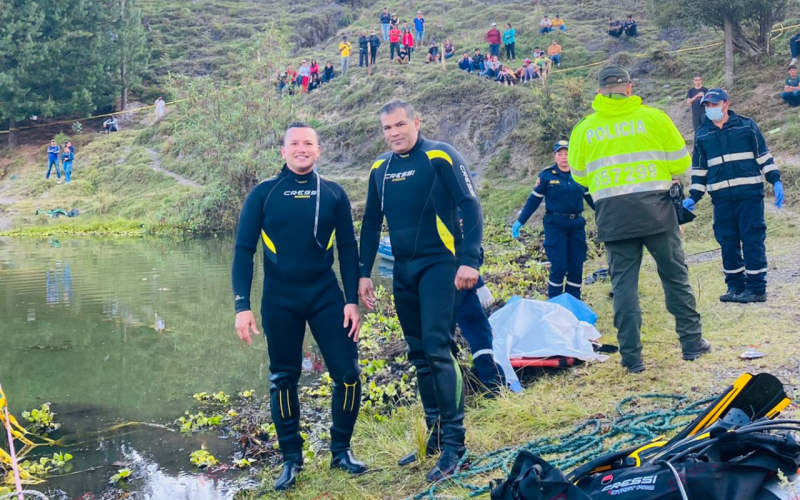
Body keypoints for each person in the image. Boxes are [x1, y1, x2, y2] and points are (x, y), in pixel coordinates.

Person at [232, 122, 367, 491]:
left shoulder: (335, 194)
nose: (302, 148)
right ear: (284, 150)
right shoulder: (263, 194)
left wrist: (352, 300)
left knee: (349, 374)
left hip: (326, 296)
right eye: (295, 143)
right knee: (283, 379)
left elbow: (348, 250)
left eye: (309, 143)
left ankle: (341, 451)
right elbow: (244, 250)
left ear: (319, 150)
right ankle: (292, 460)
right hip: (280, 299)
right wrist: (241, 306)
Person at [359, 99, 483, 481]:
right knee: (418, 352)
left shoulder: (440, 156)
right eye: (387, 128)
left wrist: (470, 260)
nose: (394, 133)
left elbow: (471, 205)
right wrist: (363, 273)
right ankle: (435, 434)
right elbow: (369, 222)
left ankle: (456, 447)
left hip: (441, 265)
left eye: (400, 125)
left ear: (416, 122)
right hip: (404, 269)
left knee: (437, 348)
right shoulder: (381, 167)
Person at [568, 65, 709, 374]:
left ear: (600, 91)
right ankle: (691, 344)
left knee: (624, 288)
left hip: (614, 219)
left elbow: (579, 176)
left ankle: (632, 359)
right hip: (658, 213)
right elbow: (681, 162)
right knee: (675, 278)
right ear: (629, 88)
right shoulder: (654, 118)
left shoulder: (584, 129)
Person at [685, 88, 784, 303]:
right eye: (707, 106)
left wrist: (775, 180)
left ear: (726, 103)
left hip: (749, 196)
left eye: (714, 104)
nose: (711, 109)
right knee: (727, 241)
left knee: (752, 239)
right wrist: (693, 196)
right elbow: (700, 172)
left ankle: (757, 289)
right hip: (721, 199)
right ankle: (735, 286)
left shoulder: (747, 126)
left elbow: (763, 157)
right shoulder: (702, 134)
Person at [512, 140, 594, 299]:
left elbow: (592, 199)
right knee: (559, 266)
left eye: (567, 153)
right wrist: (521, 221)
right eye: (560, 154)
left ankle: (573, 302)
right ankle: (555, 302)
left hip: (577, 225)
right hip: (555, 226)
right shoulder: (547, 175)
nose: (564, 157)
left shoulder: (580, 174)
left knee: (576, 266)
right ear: (554, 156)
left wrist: (607, 215)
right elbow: (534, 200)